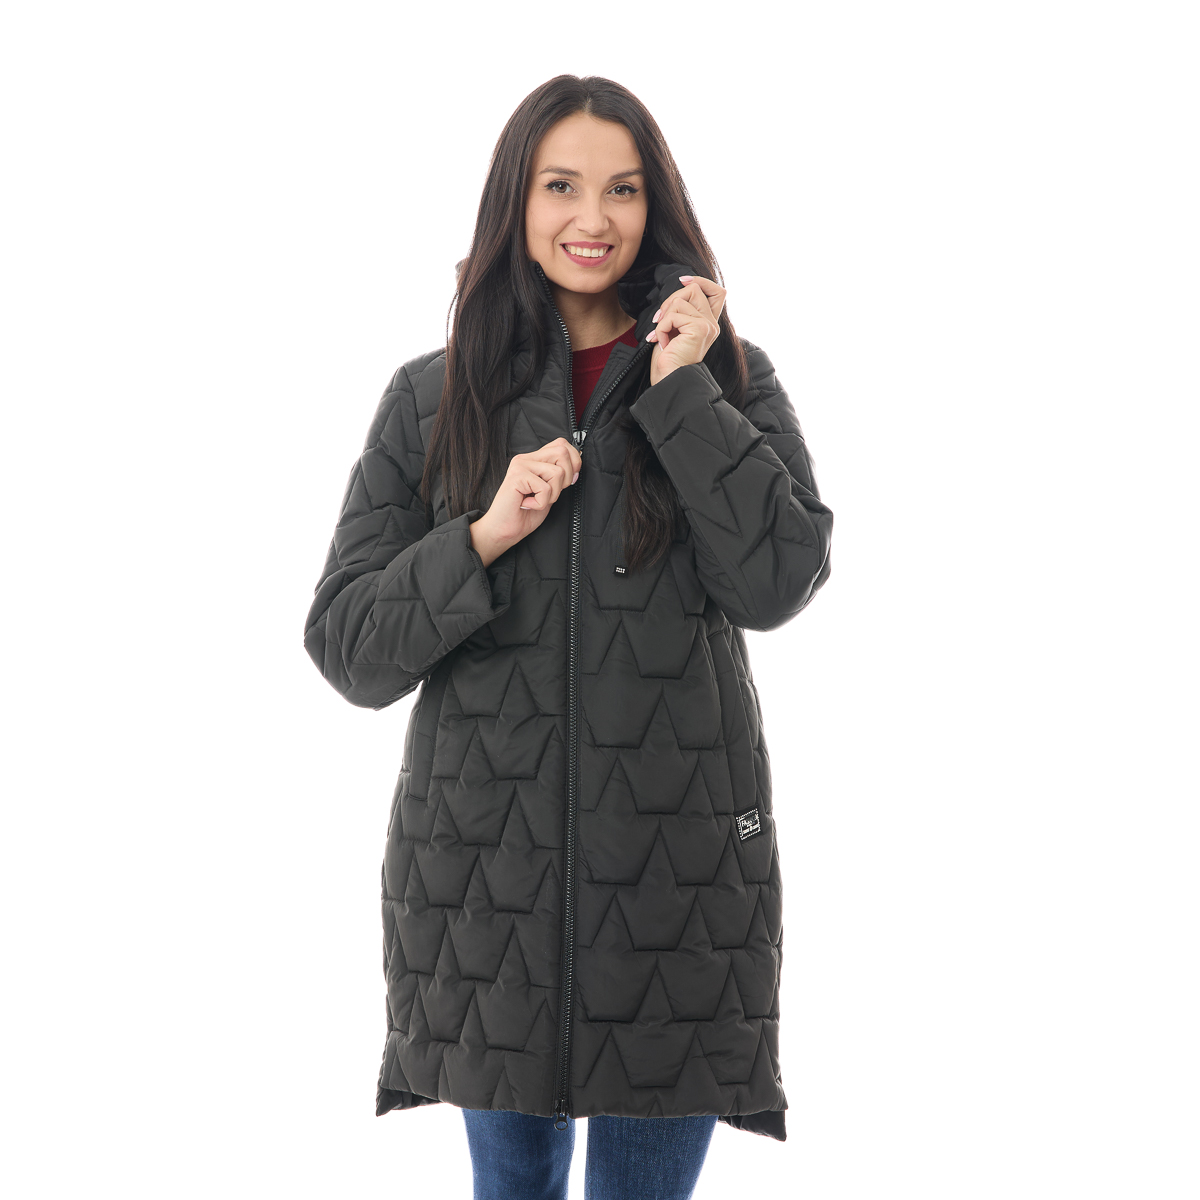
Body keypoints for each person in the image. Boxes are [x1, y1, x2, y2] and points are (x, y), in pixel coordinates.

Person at [303, 74, 834, 1199]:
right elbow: (348, 644)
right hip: (484, 889)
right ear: (517, 200)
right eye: (561, 186)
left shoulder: (730, 381)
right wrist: (482, 536)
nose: (592, 218)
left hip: (678, 889)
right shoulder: (434, 398)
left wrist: (682, 395)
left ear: (656, 207)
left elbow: (780, 579)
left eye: (623, 190)